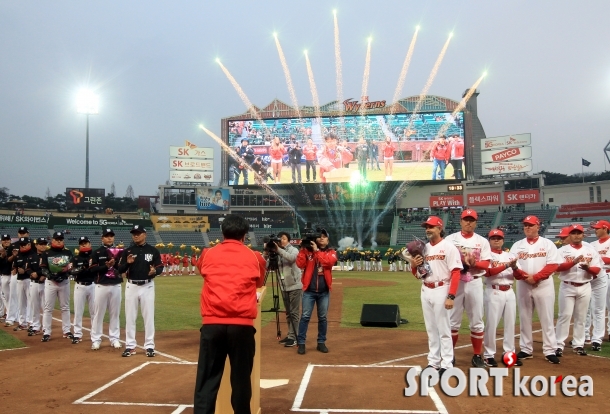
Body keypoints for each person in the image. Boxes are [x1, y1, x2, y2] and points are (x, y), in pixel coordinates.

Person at [194, 214, 266, 414]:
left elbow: (202, 271)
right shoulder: (255, 256)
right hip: (241, 325)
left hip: (212, 323)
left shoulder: (208, 253)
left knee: (207, 380)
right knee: (241, 380)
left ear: (223, 233)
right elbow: (259, 283)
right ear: (244, 235)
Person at [405, 216, 462, 375]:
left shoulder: (449, 247)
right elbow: (419, 275)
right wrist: (414, 266)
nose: (428, 230)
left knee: (444, 329)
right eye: (426, 227)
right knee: (431, 329)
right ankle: (434, 362)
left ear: (439, 228)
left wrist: (451, 296)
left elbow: (456, 273)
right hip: (426, 289)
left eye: (431, 227)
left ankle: (447, 364)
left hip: (442, 288)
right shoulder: (423, 248)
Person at [509, 215, 562, 364]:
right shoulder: (517, 245)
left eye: (531, 225)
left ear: (538, 226)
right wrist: (526, 277)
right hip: (523, 284)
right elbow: (513, 264)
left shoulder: (547, 244)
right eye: (525, 225)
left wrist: (536, 277)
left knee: (546, 317)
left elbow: (553, 265)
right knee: (525, 317)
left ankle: (550, 350)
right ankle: (526, 349)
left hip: (543, 285)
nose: (527, 227)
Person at [444, 209, 491, 368]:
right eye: (466, 219)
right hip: (456, 282)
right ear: (461, 221)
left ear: (476, 222)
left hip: (474, 281)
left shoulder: (482, 241)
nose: (468, 222)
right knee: (452, 321)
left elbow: (486, 263)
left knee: (477, 320)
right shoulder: (451, 239)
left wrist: (474, 264)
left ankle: (477, 355)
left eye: (471, 220)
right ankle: (449, 356)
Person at [555, 225, 603, 357]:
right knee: (564, 316)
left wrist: (588, 268)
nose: (576, 235)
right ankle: (559, 345)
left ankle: (578, 345)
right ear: (569, 235)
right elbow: (558, 267)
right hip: (567, 286)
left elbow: (597, 270)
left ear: (583, 235)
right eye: (573, 233)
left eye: (579, 233)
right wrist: (573, 262)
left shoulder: (590, 251)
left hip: (585, 286)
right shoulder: (562, 251)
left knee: (581, 318)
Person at [117, 225, 162, 357]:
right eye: (134, 233)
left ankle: (149, 346)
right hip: (131, 286)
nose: (136, 235)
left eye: (138, 233)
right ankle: (130, 346)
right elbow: (120, 269)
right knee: (130, 317)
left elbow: (159, 266)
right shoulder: (128, 251)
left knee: (148, 317)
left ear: (145, 234)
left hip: (147, 286)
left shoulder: (153, 251)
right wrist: (128, 263)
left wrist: (155, 271)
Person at [483, 229, 522, 367]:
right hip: (493, 291)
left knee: (510, 324)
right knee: (491, 325)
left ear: (503, 240)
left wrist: (515, 267)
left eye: (499, 238)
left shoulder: (510, 255)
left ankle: (509, 354)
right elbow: (488, 273)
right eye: (493, 238)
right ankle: (488, 355)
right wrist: (506, 266)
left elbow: (519, 276)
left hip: (509, 292)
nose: (496, 240)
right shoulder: (486, 255)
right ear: (489, 240)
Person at [295, 228, 337, 354]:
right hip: (309, 290)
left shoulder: (331, 252)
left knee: (323, 318)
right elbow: (299, 264)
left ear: (328, 239)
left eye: (324, 236)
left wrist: (317, 251)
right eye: (320, 236)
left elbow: (328, 262)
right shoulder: (307, 251)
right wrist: (303, 249)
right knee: (305, 317)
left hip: (324, 291)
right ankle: (301, 343)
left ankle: (321, 342)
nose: (322, 238)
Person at [90, 228, 123, 350]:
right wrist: (106, 266)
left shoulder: (119, 252)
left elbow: (122, 268)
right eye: (107, 236)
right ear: (102, 238)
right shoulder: (97, 252)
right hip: (101, 286)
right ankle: (96, 339)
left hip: (116, 285)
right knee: (98, 314)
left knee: (115, 314)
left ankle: (114, 339)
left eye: (111, 236)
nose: (109, 238)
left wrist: (116, 266)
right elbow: (92, 269)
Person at [269, 232, 302, 348]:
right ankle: (290, 335)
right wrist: (269, 252)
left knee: (294, 313)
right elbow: (269, 266)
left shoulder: (294, 250)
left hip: (294, 286)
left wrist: (278, 250)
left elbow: (292, 258)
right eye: (280, 238)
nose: (281, 240)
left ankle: (294, 337)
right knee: (288, 313)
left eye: (284, 238)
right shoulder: (277, 252)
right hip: (284, 286)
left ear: (288, 240)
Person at [40, 232, 74, 342]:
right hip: (51, 283)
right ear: (52, 240)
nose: (59, 241)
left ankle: (67, 330)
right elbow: (43, 268)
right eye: (57, 239)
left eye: (61, 239)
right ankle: (46, 332)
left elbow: (71, 267)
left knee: (65, 307)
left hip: (64, 282)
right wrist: (49, 275)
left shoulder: (68, 252)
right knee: (48, 308)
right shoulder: (46, 253)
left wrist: (65, 275)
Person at [588, 220, 610, 349]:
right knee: (594, 307)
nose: (595, 230)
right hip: (596, 276)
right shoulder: (592, 244)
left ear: (605, 228)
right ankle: (588, 336)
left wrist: (596, 258)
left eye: (597, 228)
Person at [70, 236, 96, 344]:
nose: (83, 245)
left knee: (94, 312)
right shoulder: (75, 258)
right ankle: (77, 334)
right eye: (81, 243)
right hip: (80, 286)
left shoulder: (95, 256)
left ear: (90, 244)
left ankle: (95, 334)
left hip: (93, 285)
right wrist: (82, 268)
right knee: (78, 311)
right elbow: (71, 271)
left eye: (85, 243)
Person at [4, 226, 29, 327]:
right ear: (18, 234)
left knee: (28, 298)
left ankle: (26, 319)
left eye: (24, 233)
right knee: (13, 296)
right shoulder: (13, 245)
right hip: (16, 273)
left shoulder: (32, 244)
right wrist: (13, 257)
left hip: (28, 274)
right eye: (20, 233)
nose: (22, 234)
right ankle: (11, 318)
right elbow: (8, 260)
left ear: (28, 233)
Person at [11, 237, 36, 331]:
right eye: (21, 245)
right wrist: (15, 270)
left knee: (32, 302)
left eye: (24, 244)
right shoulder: (18, 256)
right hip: (20, 281)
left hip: (30, 281)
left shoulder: (34, 255)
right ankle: (22, 323)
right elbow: (14, 268)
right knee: (21, 303)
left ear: (29, 244)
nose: (22, 246)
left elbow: (36, 269)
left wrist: (25, 270)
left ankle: (33, 323)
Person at [27, 237, 48, 336]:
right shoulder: (32, 256)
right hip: (34, 283)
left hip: (45, 284)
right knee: (34, 306)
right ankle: (35, 326)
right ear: (36, 245)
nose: (43, 246)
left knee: (46, 307)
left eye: (44, 244)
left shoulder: (49, 256)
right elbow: (27, 268)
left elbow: (52, 268)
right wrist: (32, 273)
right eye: (41, 244)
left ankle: (46, 327)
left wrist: (42, 274)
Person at [0, 234, 14, 323]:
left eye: (7, 239)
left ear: (10, 240)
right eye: (4, 240)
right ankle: (7, 313)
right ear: (1, 241)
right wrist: (1, 257)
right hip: (4, 275)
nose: (6, 241)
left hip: (13, 276)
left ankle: (10, 314)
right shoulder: (0, 251)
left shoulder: (13, 249)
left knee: (12, 296)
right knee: (4, 296)